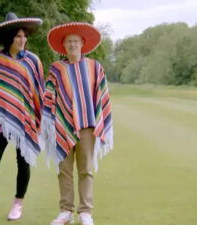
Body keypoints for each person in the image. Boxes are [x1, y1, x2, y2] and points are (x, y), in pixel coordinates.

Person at [0, 12, 44, 221]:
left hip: (24, 120)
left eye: (24, 36)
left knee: (23, 162)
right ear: (9, 37)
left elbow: (38, 92)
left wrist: (39, 116)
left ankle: (17, 204)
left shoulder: (32, 61)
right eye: (18, 36)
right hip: (0, 119)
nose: (22, 40)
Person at [41, 22, 113, 225]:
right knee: (63, 170)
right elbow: (50, 96)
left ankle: (85, 212)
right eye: (68, 41)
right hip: (62, 126)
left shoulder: (94, 67)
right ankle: (65, 211)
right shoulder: (57, 69)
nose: (72, 44)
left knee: (86, 169)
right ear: (63, 45)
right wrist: (49, 123)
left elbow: (101, 96)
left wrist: (100, 120)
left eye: (75, 41)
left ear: (82, 43)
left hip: (87, 127)